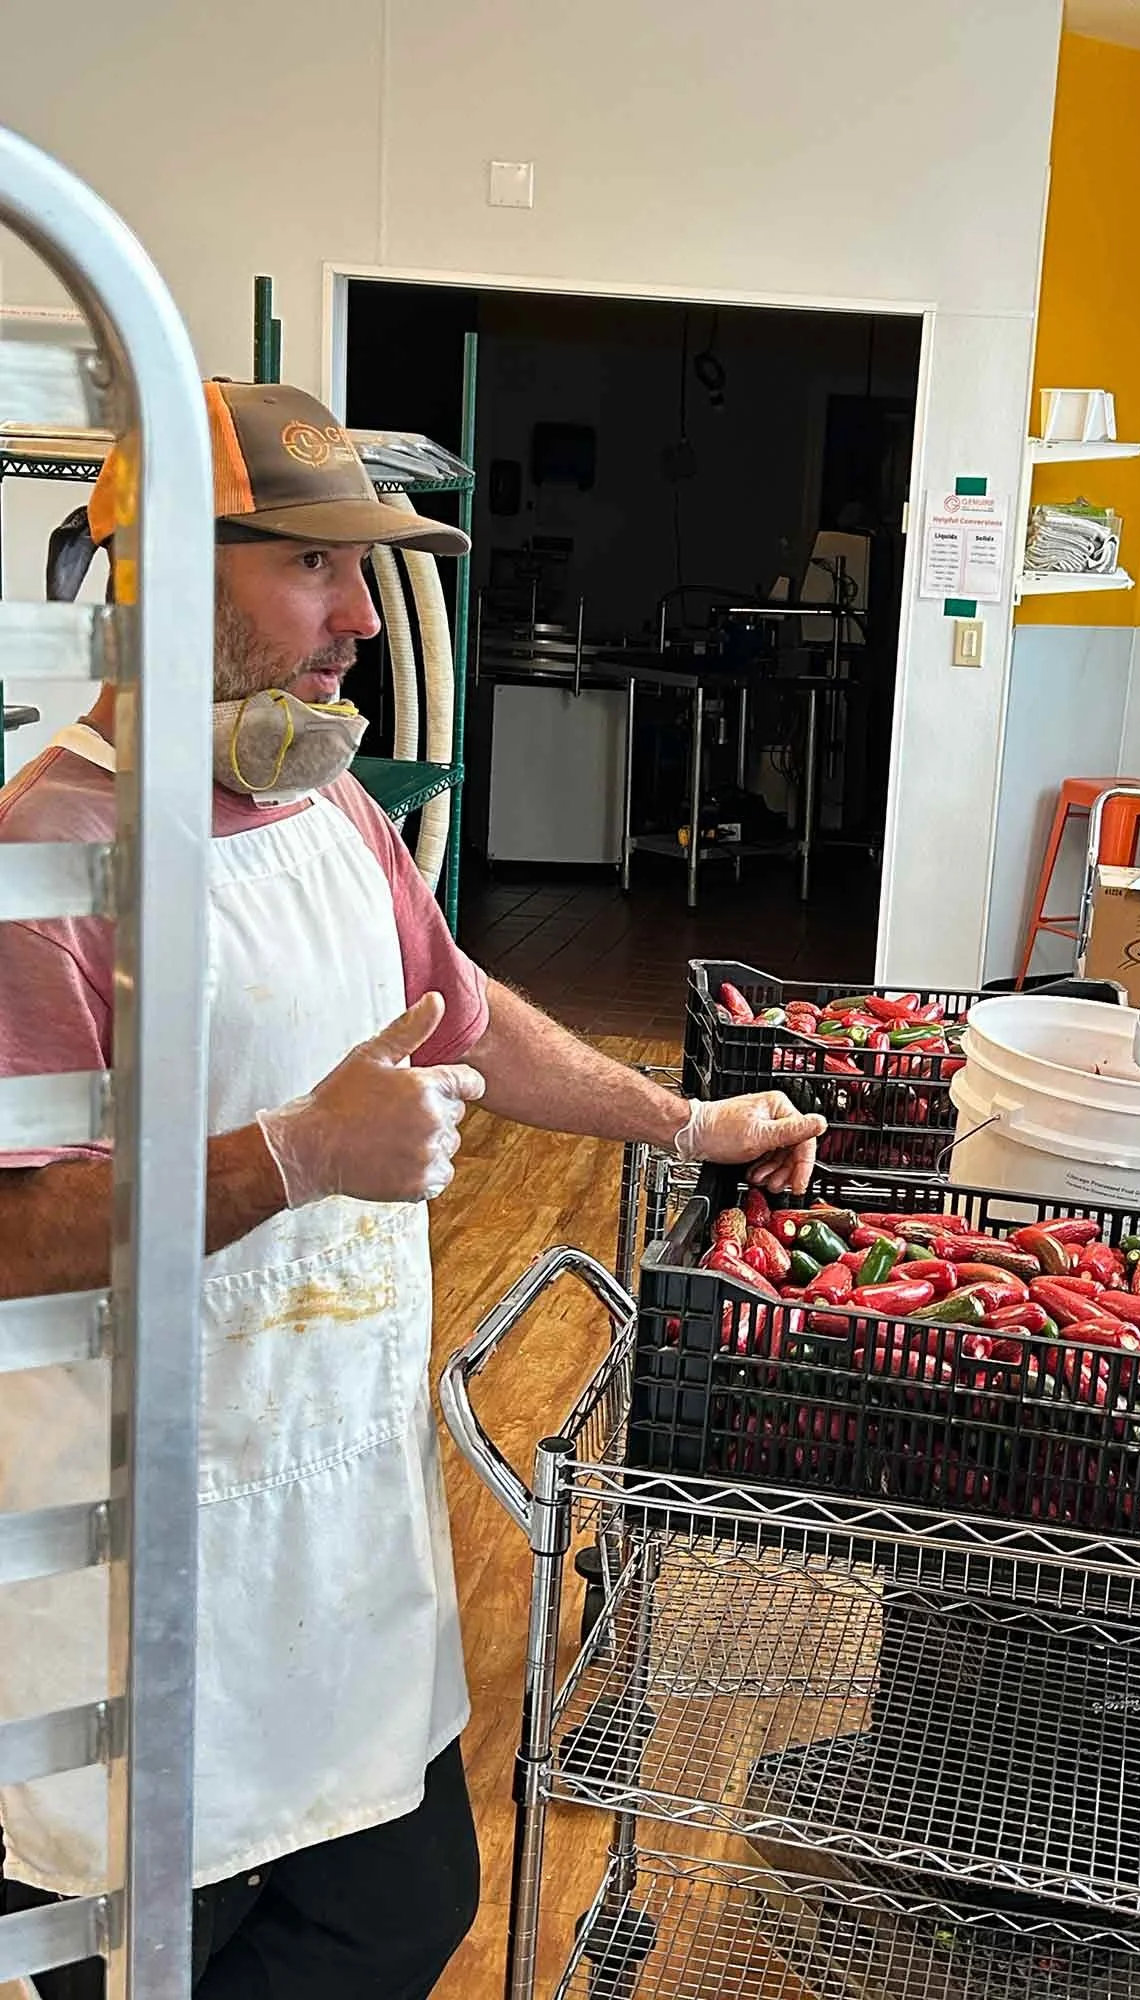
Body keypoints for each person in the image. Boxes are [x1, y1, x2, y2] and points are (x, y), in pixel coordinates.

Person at [0, 380, 825, 1997]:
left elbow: (462, 1009)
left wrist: (685, 1123)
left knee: (401, 1908)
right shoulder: (49, 865)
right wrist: (297, 1157)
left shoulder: (324, 805)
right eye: (319, 566)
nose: (364, 619)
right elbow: (15, 1236)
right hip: (138, 1581)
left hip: (332, 1523)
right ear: (166, 570)